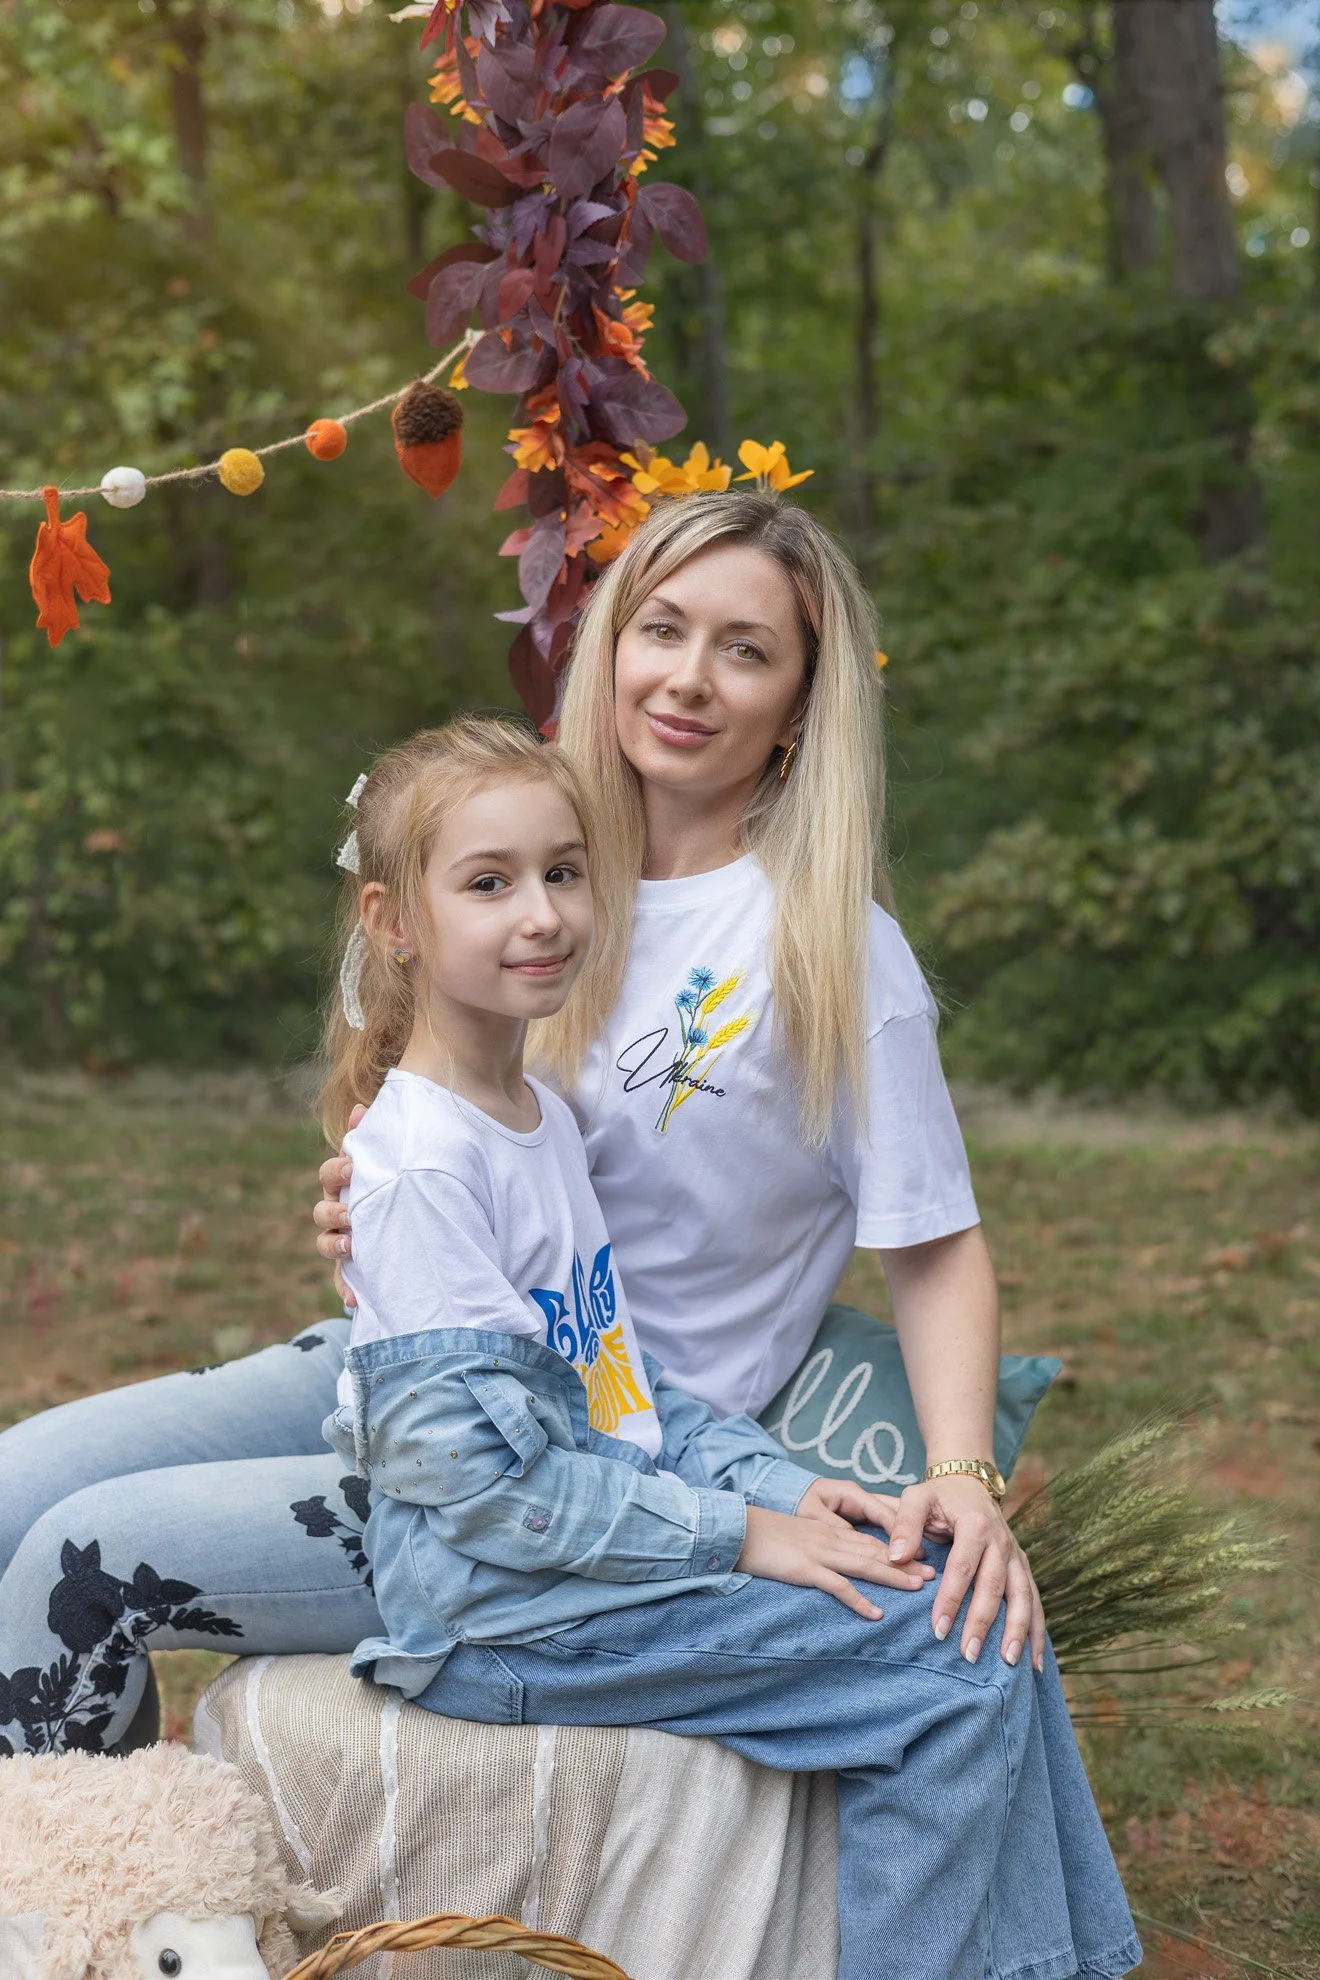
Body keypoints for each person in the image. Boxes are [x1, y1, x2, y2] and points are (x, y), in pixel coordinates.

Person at [0, 490, 1138, 1980]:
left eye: (746, 652)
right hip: (402, 1362)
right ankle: (88, 1910)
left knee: (80, 1561)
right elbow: (424, 1108)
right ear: (608, 646)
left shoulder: (826, 948)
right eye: (660, 630)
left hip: (577, 1445)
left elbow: (932, 1245)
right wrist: (365, 1199)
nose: (688, 677)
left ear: (799, 706)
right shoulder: (529, 848)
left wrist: (963, 1476)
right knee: (17, 1485)